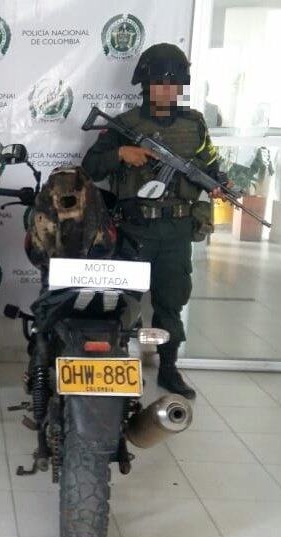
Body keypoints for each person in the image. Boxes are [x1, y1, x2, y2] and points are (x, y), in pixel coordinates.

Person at [82, 43, 225, 400]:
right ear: (145, 86)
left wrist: (219, 183)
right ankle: (116, 365)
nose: (166, 90)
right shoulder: (125, 125)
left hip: (177, 230)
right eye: (159, 83)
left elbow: (211, 165)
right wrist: (120, 153)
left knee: (170, 302)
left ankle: (168, 367)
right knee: (123, 301)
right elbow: (90, 167)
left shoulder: (194, 125)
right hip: (135, 229)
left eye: (173, 84)